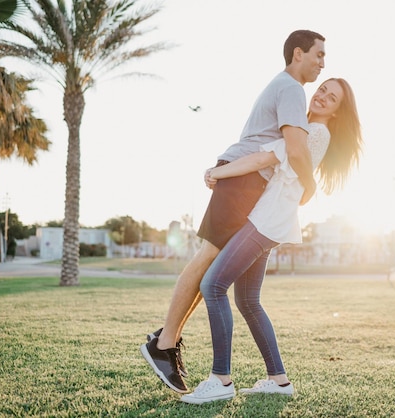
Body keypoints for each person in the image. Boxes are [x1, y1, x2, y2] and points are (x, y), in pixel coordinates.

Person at [140, 29, 326, 394]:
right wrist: (311, 187)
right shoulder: (291, 88)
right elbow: (296, 149)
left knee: (214, 269)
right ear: (298, 54)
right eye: (319, 55)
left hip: (249, 182)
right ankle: (162, 345)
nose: (322, 63)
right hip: (244, 181)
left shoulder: (286, 88)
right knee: (207, 258)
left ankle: (167, 340)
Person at [179, 77, 363, 404]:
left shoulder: (314, 133)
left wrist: (216, 172)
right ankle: (279, 380)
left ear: (336, 111)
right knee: (247, 300)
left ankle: (221, 379)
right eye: (322, 89)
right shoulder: (303, 128)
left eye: (331, 98)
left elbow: (264, 160)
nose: (321, 96)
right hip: (271, 220)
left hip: (265, 221)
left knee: (213, 285)